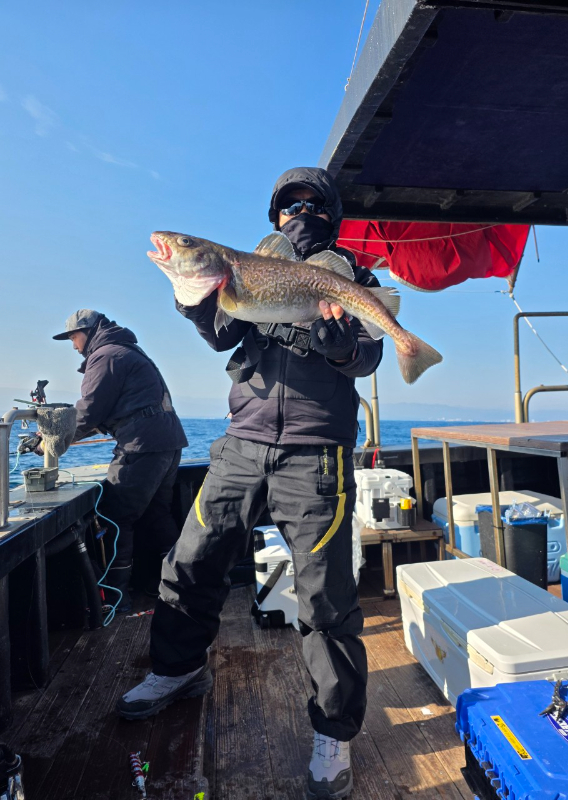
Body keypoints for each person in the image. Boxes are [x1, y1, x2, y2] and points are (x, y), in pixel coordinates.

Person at [117, 167, 383, 799]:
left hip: (317, 454)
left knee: (325, 596)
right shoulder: (251, 267)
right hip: (242, 443)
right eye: (289, 204)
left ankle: (334, 731)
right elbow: (223, 335)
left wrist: (343, 348)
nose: (300, 212)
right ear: (274, 214)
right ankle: (179, 668)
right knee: (192, 559)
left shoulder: (353, 274)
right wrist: (194, 303)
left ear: (331, 213)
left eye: (313, 203)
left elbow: (368, 354)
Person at [51, 309, 188, 611]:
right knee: (157, 515)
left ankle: (115, 597)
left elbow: (89, 410)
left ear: (88, 331)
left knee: (114, 516)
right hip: (167, 442)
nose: (73, 345)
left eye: (73, 337)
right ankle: (176, 587)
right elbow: (108, 411)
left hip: (141, 445)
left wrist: (52, 439)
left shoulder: (105, 356)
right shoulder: (126, 350)